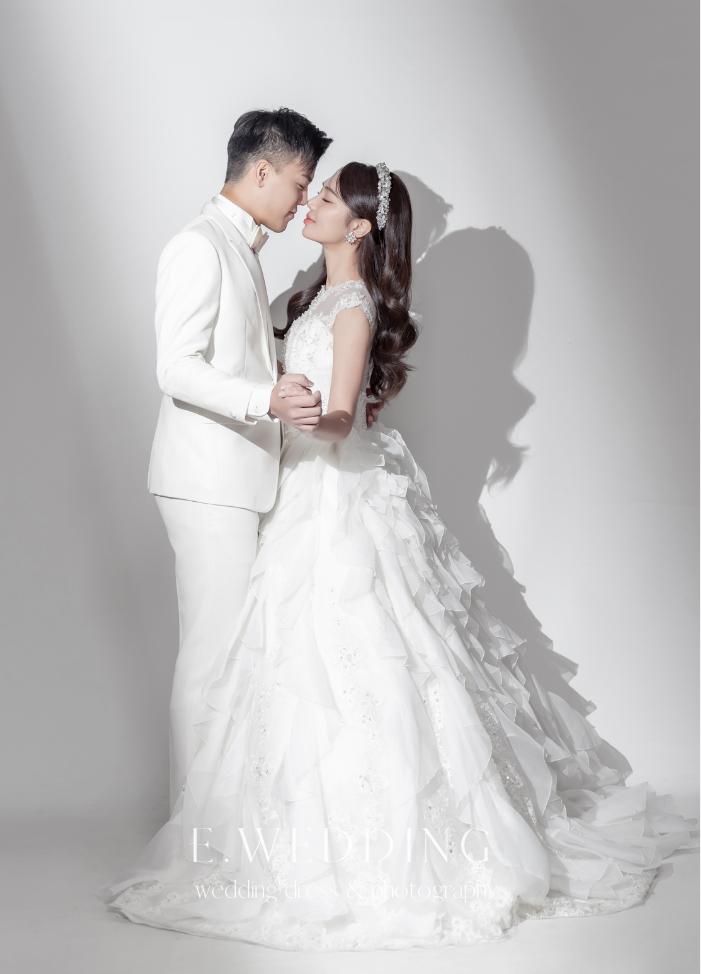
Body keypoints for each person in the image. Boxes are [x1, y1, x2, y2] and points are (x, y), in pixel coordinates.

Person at [100, 162, 697, 949]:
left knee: (363, 651)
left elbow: (343, 417)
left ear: (359, 226)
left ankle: (382, 841)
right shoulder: (310, 295)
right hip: (292, 488)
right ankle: (260, 823)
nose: (309, 203)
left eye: (324, 198)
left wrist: (300, 415)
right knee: (287, 657)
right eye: (310, 190)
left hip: (334, 490)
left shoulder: (352, 306)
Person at [147, 107, 332, 808]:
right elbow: (175, 367)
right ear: (261, 171)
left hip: (236, 480)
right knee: (211, 657)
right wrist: (266, 399)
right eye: (299, 182)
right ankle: (192, 831)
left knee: (230, 655)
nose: (303, 199)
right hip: (207, 483)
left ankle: (215, 817)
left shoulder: (241, 248)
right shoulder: (199, 245)